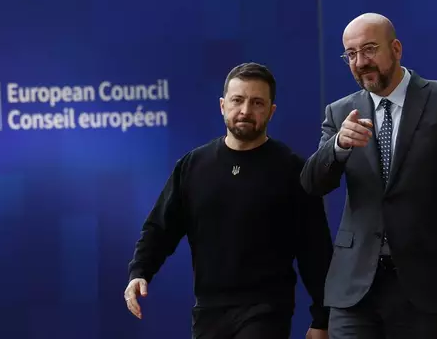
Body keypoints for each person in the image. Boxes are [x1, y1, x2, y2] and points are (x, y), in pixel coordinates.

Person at [300, 13, 437, 339]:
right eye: (351, 54)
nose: (360, 61)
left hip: (426, 285)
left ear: (396, 48)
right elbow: (312, 184)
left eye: (369, 50)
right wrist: (336, 147)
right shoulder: (340, 113)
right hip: (354, 289)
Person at [124, 62, 334, 339]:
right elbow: (160, 227)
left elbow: (315, 251)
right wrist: (140, 271)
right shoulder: (193, 165)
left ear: (271, 111)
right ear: (223, 105)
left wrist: (322, 318)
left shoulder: (293, 170)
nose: (246, 111)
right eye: (238, 100)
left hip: (267, 310)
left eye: (257, 102)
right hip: (208, 311)